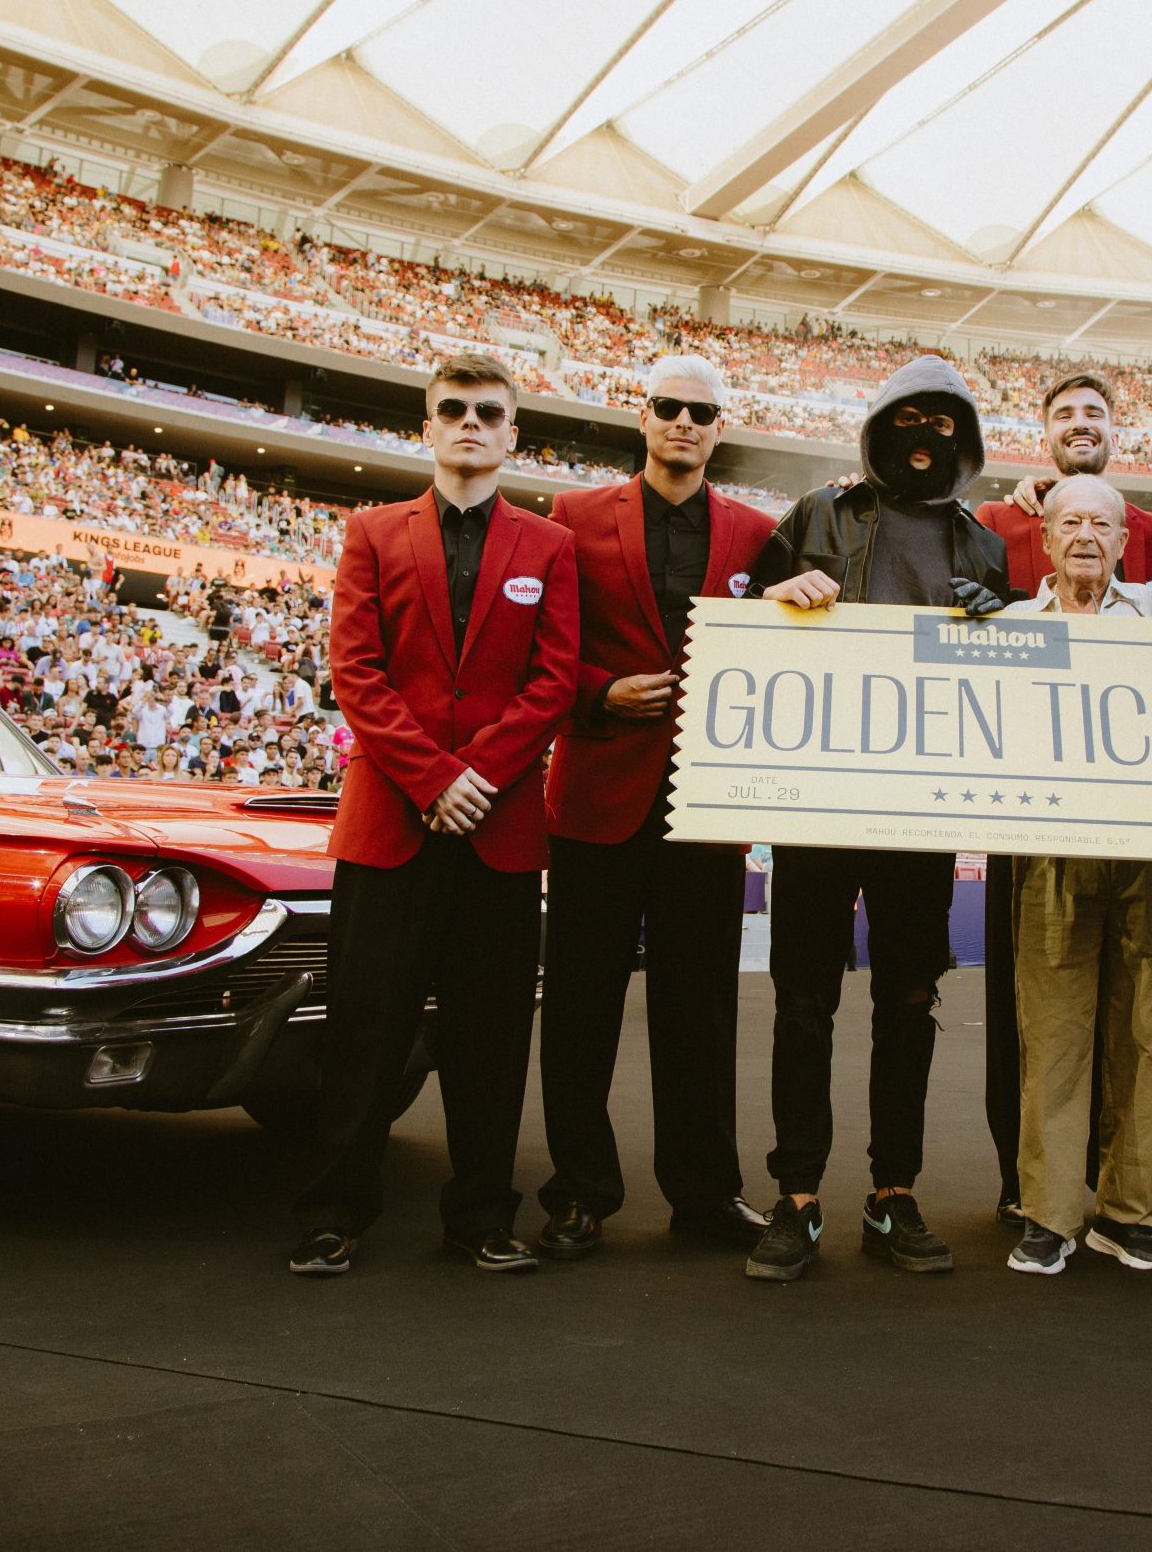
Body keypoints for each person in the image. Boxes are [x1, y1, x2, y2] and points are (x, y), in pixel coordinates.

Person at [288, 353, 579, 1279]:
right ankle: (335, 1212)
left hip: (495, 829)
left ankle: (483, 1217)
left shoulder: (548, 546)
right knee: (365, 1031)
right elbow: (356, 673)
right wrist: (430, 779)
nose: (469, 422)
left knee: (490, 1036)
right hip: (391, 823)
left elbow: (554, 681)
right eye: (451, 408)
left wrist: (478, 777)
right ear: (428, 425)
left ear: (510, 434)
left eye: (487, 412)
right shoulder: (371, 532)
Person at [740, 354, 1011, 1282]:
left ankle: (895, 1190)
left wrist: (997, 619)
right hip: (817, 804)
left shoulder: (985, 545)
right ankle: (798, 1194)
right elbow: (740, 624)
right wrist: (777, 596)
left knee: (910, 1001)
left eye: (943, 423)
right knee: (802, 1002)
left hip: (920, 813)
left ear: (964, 436)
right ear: (879, 424)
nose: (924, 439)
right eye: (909, 419)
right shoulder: (818, 514)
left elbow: (1003, 683)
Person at [535, 353, 776, 1261]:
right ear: (643, 417)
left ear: (720, 427)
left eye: (701, 411)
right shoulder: (573, 517)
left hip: (705, 808)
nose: (684, 421)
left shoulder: (758, 533)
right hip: (597, 792)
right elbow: (545, 651)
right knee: (580, 1009)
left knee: (702, 1009)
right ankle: (579, 1191)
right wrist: (598, 696)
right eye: (669, 407)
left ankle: (706, 1192)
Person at [971, 371, 1152, 1233]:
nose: (1087, 536)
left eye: (1103, 523)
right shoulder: (1009, 632)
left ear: (1128, 540)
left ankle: (1131, 1209)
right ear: (1047, 541)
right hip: (1050, 854)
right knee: (1053, 1037)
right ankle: (1050, 1212)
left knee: (1146, 1032)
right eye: (1070, 524)